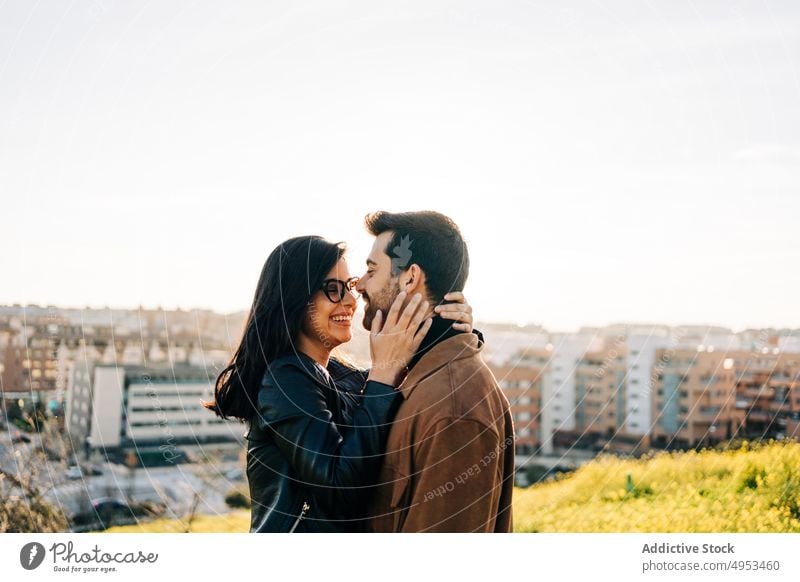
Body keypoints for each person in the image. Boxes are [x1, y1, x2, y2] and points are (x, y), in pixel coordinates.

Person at [204, 235, 473, 532]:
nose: (349, 300)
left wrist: (451, 329)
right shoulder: (283, 380)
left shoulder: (337, 374)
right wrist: (383, 377)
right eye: (333, 289)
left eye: (349, 286)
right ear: (295, 296)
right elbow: (339, 488)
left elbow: (400, 374)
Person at [357, 211, 515, 532]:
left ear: (410, 278)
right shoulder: (417, 378)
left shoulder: (454, 410)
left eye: (371, 271)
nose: (359, 284)